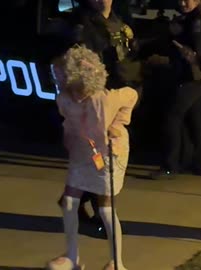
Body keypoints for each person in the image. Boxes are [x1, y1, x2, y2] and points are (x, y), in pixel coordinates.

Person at [48, 45, 137, 270]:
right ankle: (71, 257)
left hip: (109, 152)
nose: (77, 94)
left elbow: (131, 95)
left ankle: (117, 262)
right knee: (69, 201)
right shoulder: (64, 99)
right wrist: (69, 140)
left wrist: (117, 124)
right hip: (82, 151)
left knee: (105, 206)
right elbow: (69, 122)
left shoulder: (104, 99)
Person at [56, 0, 143, 229]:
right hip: (96, 97)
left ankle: (74, 200)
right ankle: (101, 216)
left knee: (105, 157)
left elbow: (127, 51)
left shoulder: (118, 20)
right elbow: (78, 61)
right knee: (99, 156)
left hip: (118, 91)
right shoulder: (82, 22)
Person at [150, 0, 201, 179]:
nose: (183, 2)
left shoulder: (198, 20)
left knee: (172, 116)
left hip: (191, 77)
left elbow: (195, 51)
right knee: (194, 119)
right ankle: (199, 164)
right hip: (193, 76)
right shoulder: (188, 19)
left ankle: (170, 166)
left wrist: (166, 59)